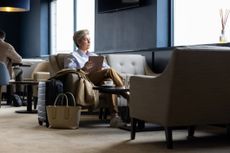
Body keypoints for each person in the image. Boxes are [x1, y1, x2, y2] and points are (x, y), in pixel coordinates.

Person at [64, 29, 129, 128]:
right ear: (78, 41)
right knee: (110, 71)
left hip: (98, 78)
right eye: (86, 40)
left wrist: (101, 69)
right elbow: (69, 69)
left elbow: (106, 67)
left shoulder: (93, 56)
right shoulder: (73, 55)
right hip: (85, 78)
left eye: (90, 40)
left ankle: (114, 117)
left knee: (109, 84)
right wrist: (83, 68)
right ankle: (125, 93)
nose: (89, 42)